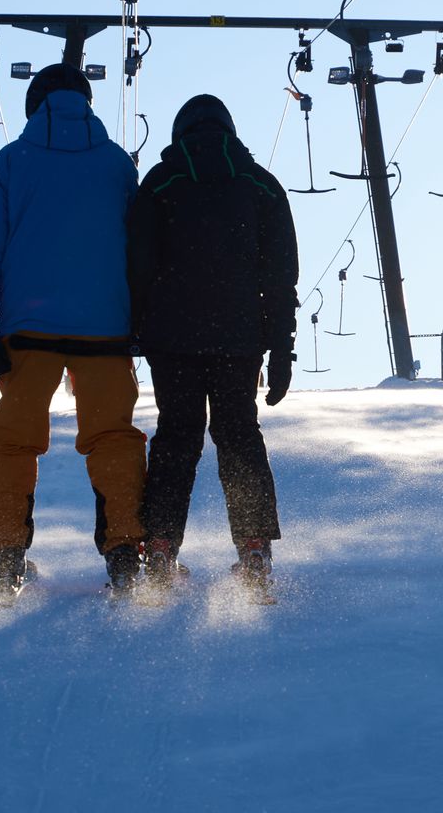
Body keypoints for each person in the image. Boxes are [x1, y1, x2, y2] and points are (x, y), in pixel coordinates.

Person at [0, 62, 148, 596]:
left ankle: (6, 556)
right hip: (106, 332)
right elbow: (136, 248)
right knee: (113, 436)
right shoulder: (116, 164)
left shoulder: (11, 162)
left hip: (30, 331)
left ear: (34, 105)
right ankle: (124, 551)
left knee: (14, 441)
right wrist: (136, 319)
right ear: (86, 103)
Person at [126, 93, 298, 594]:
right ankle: (253, 548)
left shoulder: (160, 184)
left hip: (171, 339)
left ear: (181, 132)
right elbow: (280, 276)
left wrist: (135, 329)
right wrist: (280, 349)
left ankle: (159, 547)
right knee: (239, 435)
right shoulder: (260, 186)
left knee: (176, 438)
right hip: (239, 340)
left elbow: (138, 265)